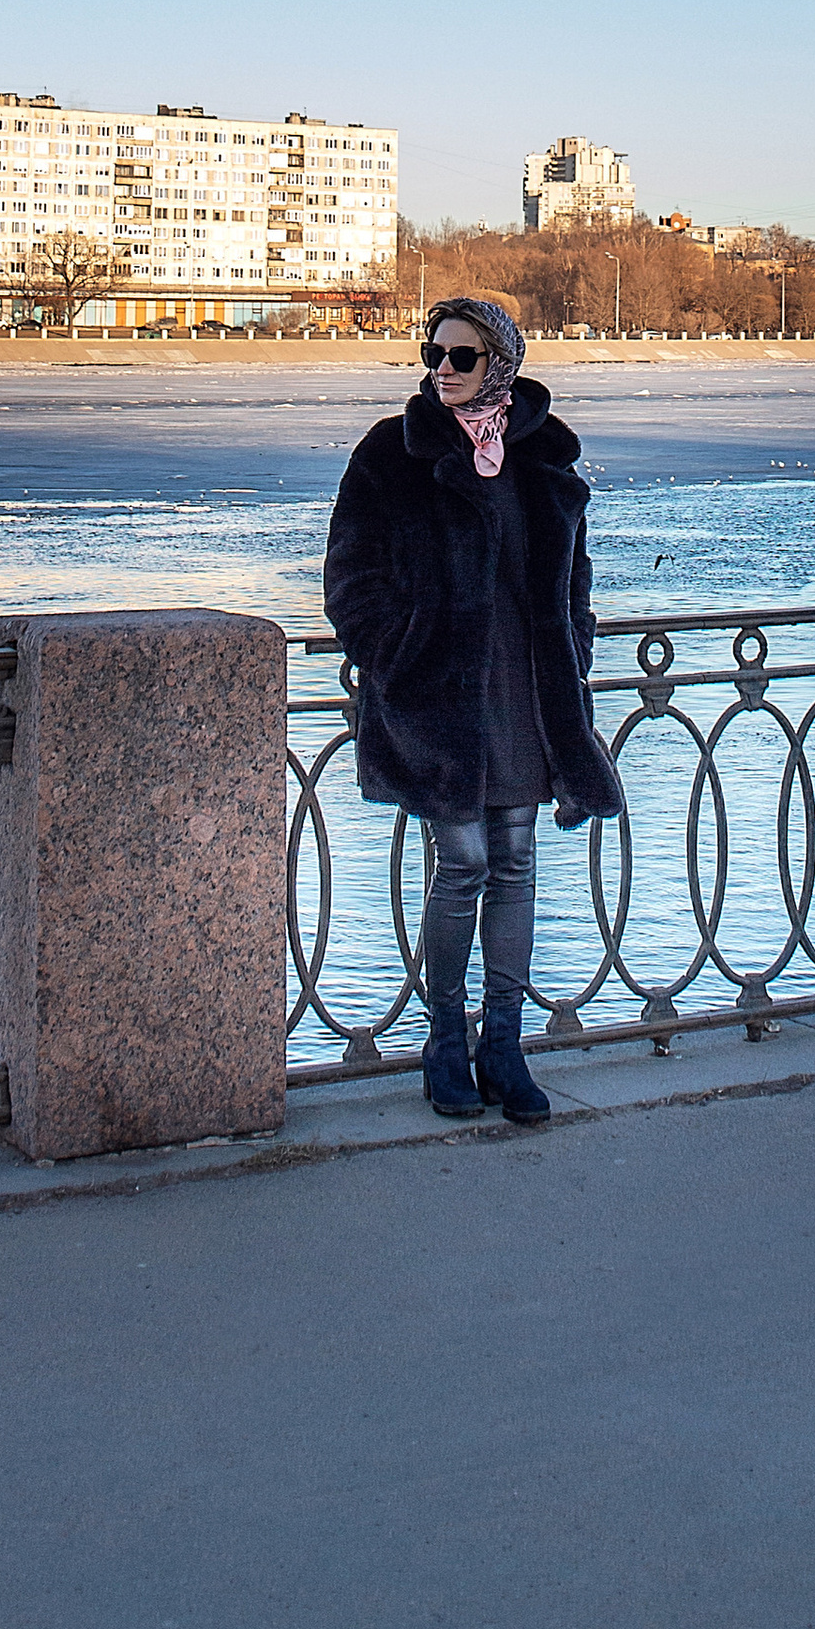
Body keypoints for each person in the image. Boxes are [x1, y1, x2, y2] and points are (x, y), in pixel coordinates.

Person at [323, 294, 625, 1123]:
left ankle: (506, 1045)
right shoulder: (394, 452)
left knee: (516, 866)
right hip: (436, 700)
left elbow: (575, 590)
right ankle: (444, 1043)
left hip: (524, 699)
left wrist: (574, 660)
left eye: (460, 357)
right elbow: (350, 580)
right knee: (462, 867)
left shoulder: (543, 460)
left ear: (501, 363)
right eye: (433, 355)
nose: (442, 371)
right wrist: (397, 656)